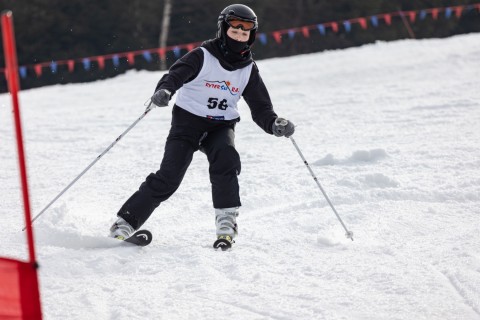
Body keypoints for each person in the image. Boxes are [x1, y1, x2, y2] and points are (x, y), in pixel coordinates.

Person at [109, 3, 295, 249]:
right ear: (223, 30)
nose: (239, 37)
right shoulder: (203, 55)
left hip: (220, 126)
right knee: (169, 177)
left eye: (244, 34)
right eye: (234, 31)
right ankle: (124, 223)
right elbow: (175, 75)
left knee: (226, 160)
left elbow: (261, 107)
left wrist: (274, 124)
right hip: (187, 123)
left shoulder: (248, 69)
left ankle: (227, 222)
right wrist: (165, 91)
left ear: (251, 36)